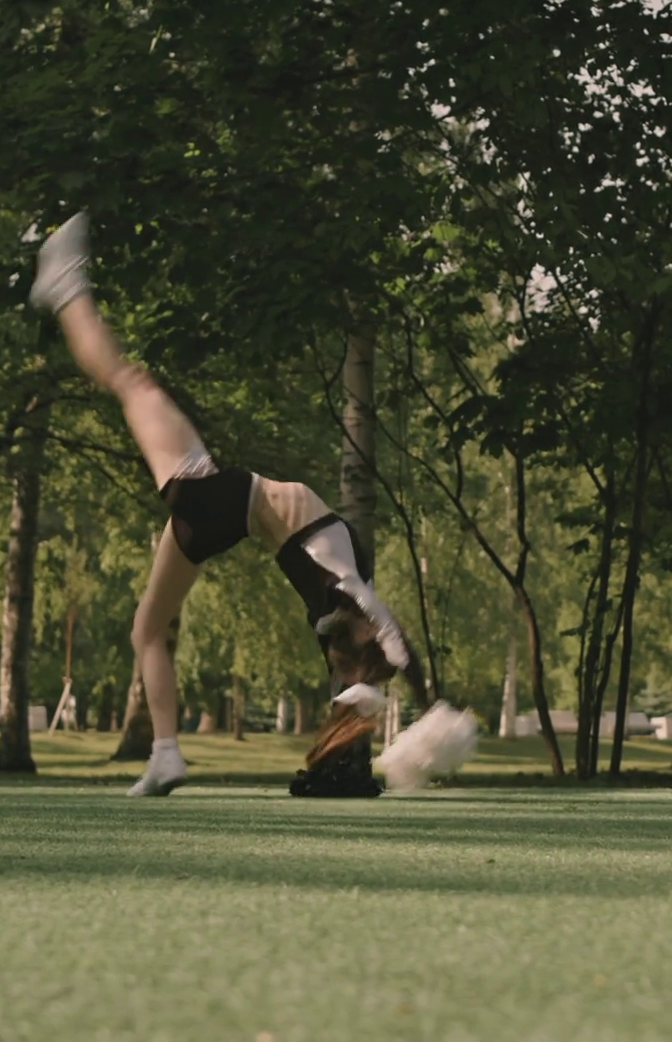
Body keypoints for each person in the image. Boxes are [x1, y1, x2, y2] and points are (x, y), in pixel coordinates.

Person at [29, 213, 469, 796]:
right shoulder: (339, 611)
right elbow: (389, 652)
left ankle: (66, 285)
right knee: (146, 630)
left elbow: (392, 642)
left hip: (222, 497)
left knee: (130, 382)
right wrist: (426, 702)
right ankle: (164, 755)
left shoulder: (347, 598)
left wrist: (429, 702)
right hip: (213, 516)